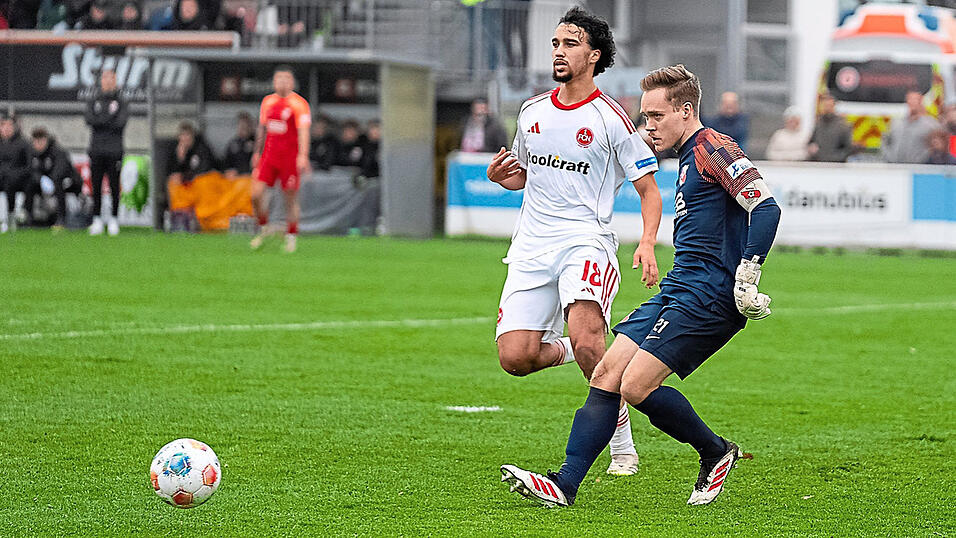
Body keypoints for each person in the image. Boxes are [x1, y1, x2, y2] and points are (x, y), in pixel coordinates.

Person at [500, 64, 781, 507]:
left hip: (708, 295)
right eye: (645, 117)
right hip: (679, 287)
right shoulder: (688, 156)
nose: (648, 127)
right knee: (607, 373)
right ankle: (565, 484)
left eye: (656, 116)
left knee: (635, 387)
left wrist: (748, 273)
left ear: (686, 111)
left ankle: (714, 451)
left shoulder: (712, 146)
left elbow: (765, 207)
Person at [485, 7, 662, 477]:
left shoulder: (610, 118)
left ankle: (621, 441)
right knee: (516, 359)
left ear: (593, 56)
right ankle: (580, 348)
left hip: (586, 242)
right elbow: (524, 175)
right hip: (531, 245)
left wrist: (646, 243)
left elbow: (648, 188)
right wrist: (502, 178)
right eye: (556, 44)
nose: (559, 52)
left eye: (569, 44)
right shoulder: (531, 111)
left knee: (588, 343)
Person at [250, 65, 311, 253]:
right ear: (274, 81)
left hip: (289, 158)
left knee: (290, 198)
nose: (282, 82)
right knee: (256, 195)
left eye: (286, 79)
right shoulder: (268, 102)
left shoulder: (299, 104)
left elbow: (303, 132)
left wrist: (303, 155)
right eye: (279, 79)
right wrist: (256, 152)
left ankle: (291, 236)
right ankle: (264, 227)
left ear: (292, 82)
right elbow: (262, 129)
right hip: (269, 156)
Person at [84, 69, 128, 236]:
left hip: (114, 150)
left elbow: (120, 123)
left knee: (114, 186)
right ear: (101, 80)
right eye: (105, 78)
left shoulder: (122, 101)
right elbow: (89, 120)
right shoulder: (93, 99)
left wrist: (101, 119)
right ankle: (96, 219)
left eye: (111, 78)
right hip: (96, 150)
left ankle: (114, 219)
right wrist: (109, 117)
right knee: (95, 186)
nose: (108, 81)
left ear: (116, 80)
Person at [28, 128, 82, 230]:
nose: (38, 145)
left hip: (68, 182)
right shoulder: (32, 153)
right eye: (36, 142)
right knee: (29, 184)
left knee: (58, 184)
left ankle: (61, 218)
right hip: (45, 182)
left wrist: (50, 180)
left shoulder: (58, 152)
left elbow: (60, 170)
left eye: (41, 141)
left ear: (46, 140)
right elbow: (31, 170)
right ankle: (29, 217)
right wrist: (40, 179)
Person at [882, 90, 941, 164]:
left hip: (919, 168)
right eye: (910, 99)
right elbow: (885, 140)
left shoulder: (931, 125)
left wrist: (925, 159)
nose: (912, 102)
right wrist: (889, 157)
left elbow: (938, 145)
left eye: (915, 100)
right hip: (896, 167)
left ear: (921, 102)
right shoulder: (896, 122)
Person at [0, 114, 32, 233]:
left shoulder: (23, 144)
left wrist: (14, 174)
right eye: (3, 125)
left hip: (17, 179)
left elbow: (28, 167)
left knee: (9, 183)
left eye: (9, 125)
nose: (6, 128)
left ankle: (10, 217)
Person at [807, 93, 854, 163]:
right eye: (824, 105)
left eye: (829, 106)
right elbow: (811, 142)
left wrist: (834, 158)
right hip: (819, 163)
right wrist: (811, 148)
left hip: (836, 165)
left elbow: (848, 148)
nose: (826, 108)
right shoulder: (818, 123)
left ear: (834, 106)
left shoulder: (843, 125)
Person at [223, 111, 256, 178]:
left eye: (247, 125)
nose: (244, 128)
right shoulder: (233, 143)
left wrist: (240, 172)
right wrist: (227, 171)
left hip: (249, 177)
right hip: (234, 178)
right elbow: (225, 162)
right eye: (241, 125)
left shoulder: (257, 143)